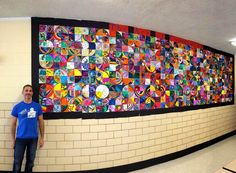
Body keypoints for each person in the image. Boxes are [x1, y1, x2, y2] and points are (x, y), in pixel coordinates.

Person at [11, 84, 45, 173]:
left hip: (33, 139)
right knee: (17, 162)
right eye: (26, 90)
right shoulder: (17, 107)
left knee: (30, 162)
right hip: (20, 139)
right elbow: (13, 124)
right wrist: (13, 140)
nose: (28, 92)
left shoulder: (37, 106)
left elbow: (41, 122)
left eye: (30, 91)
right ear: (23, 92)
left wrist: (42, 138)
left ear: (32, 93)